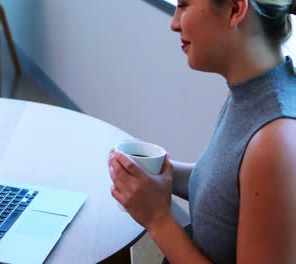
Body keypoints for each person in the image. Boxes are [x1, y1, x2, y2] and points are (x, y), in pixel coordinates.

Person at [108, 0, 296, 262]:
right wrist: (161, 175)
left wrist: (158, 219)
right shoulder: (252, 91)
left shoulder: (275, 140)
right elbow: (229, 186)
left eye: (184, 5)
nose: (174, 23)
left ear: (234, 9)